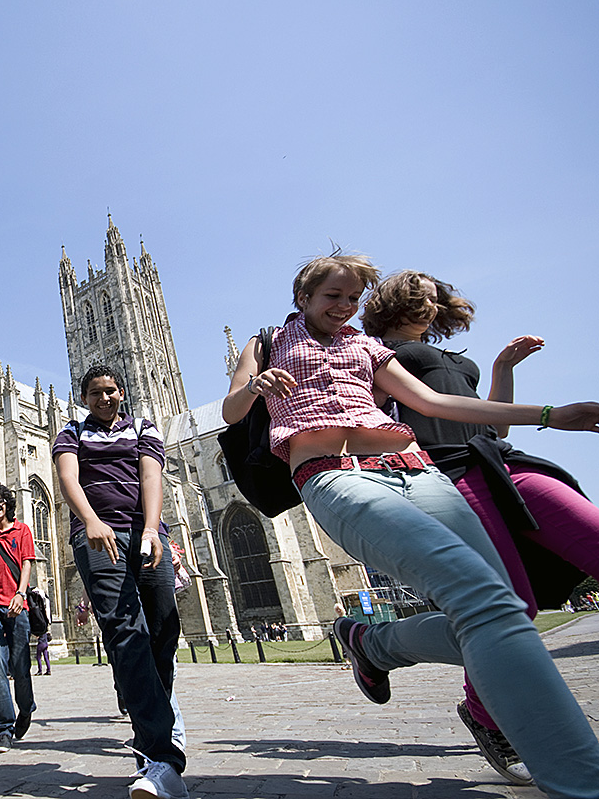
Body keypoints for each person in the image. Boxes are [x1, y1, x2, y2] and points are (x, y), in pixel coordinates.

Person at [222, 250, 599, 798]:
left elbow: (434, 402)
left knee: (504, 608)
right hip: (332, 471)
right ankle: (582, 780)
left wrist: (548, 415)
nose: (345, 306)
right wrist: (256, 387)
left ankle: (375, 644)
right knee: (481, 600)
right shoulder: (267, 342)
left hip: (415, 468)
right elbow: (231, 413)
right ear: (302, 297)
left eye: (354, 298)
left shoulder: (366, 345)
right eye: (333, 296)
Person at [361, 269, 599, 784]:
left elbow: (493, 424)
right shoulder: (376, 355)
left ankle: (378, 645)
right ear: (392, 301)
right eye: (419, 293)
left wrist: (501, 367)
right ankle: (485, 715)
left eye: (435, 296)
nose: (429, 302)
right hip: (446, 474)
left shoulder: (448, 358)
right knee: (510, 606)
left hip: (498, 460)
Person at [53, 364, 185, 799]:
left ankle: (153, 725)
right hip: (97, 537)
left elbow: (151, 475)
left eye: (110, 391)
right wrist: (90, 520)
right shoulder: (71, 432)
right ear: (84, 398)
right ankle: (161, 757)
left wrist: (152, 529)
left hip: (145, 534)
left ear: (122, 392)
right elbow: (68, 478)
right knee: (127, 633)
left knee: (164, 630)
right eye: (95, 392)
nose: (104, 398)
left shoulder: (144, 427)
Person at [0, 483, 36, 754]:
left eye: (0, 501)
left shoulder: (22, 530)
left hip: (16, 604)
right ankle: (3, 729)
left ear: (7, 504)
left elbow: (26, 563)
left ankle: (26, 708)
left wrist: (21, 594)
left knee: (20, 666)